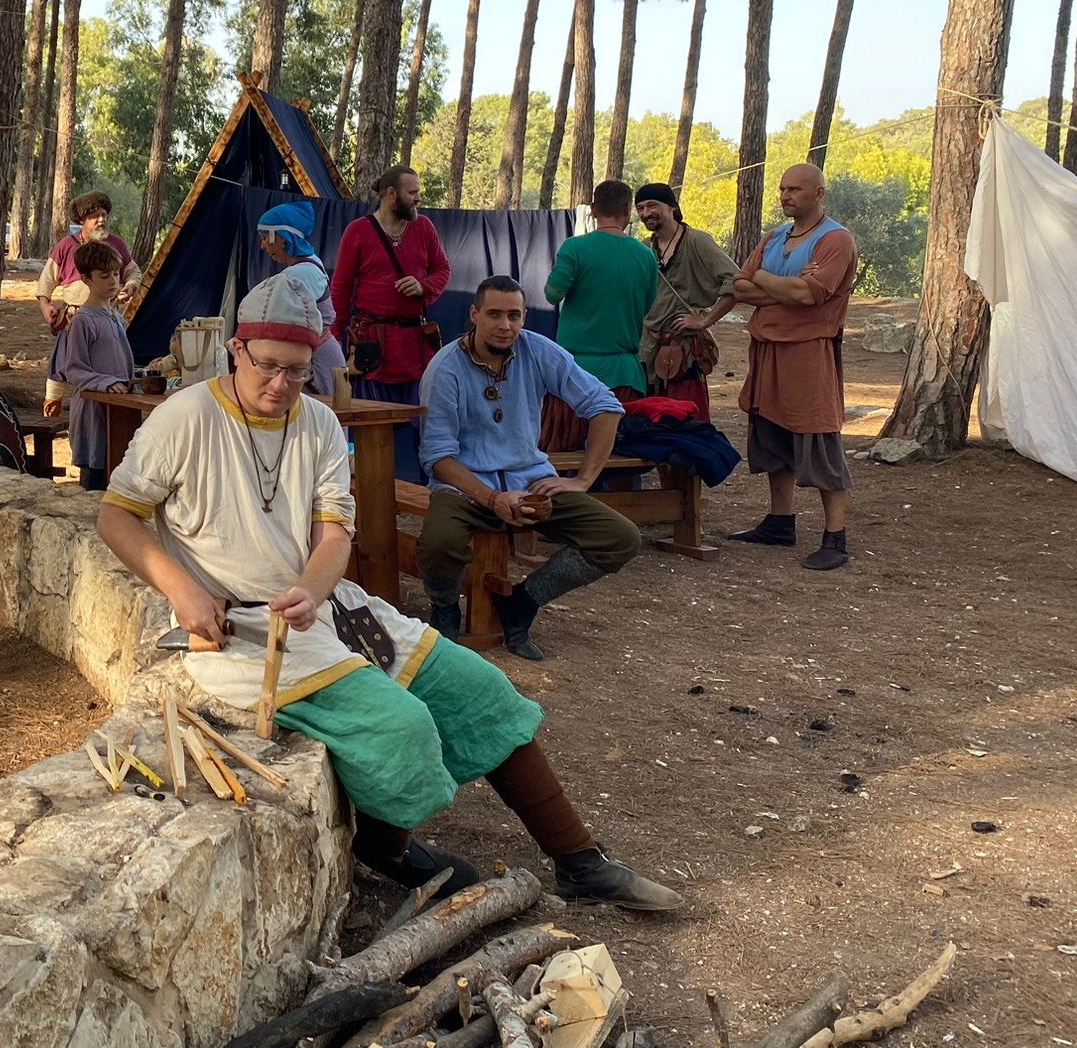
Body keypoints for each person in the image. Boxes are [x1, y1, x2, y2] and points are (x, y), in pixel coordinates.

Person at [95, 271, 681, 911]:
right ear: (237, 349)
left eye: (297, 372)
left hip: (330, 609)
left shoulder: (317, 421)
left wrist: (316, 591)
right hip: (241, 636)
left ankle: (580, 860)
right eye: (267, 367)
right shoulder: (184, 417)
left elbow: (333, 531)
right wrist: (181, 589)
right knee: (402, 727)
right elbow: (116, 515)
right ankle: (387, 846)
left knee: (483, 692)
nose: (281, 385)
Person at [417, 277, 643, 661]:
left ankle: (522, 603)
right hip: (466, 488)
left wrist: (582, 480)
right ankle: (444, 608)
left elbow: (604, 405)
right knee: (438, 544)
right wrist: (491, 498)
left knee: (620, 538)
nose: (505, 325)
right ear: (474, 315)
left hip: (532, 481)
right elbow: (439, 457)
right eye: (494, 314)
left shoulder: (538, 351)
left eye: (514, 315)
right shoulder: (445, 369)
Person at [728, 164, 860, 572]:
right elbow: (738, 285)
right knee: (772, 436)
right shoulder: (774, 237)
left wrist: (765, 281)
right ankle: (779, 521)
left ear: (818, 193)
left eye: (795, 189)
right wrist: (779, 287)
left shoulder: (835, 240)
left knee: (817, 440)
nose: (786, 196)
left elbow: (808, 294)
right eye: (783, 189)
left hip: (808, 353)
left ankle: (834, 537)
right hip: (767, 350)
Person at [330, 166, 449, 481]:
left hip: (414, 347)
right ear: (391, 194)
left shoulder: (423, 228)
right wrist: (332, 339)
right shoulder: (358, 231)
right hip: (374, 348)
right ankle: (374, 494)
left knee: (426, 424)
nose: (417, 199)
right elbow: (340, 288)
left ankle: (430, 491)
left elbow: (442, 269)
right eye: (412, 193)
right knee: (372, 425)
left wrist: (424, 286)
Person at [634, 183, 739, 419]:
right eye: (640, 208)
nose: (645, 213)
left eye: (652, 205)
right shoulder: (642, 249)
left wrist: (705, 320)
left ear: (672, 207)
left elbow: (736, 280)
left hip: (683, 348)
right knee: (647, 418)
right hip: (647, 347)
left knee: (688, 419)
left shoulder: (697, 241)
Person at [545, 181, 657, 395]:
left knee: (573, 430)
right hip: (625, 376)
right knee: (620, 430)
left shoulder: (574, 248)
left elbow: (552, 294)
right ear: (626, 210)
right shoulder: (645, 255)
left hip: (575, 373)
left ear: (594, 209)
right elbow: (646, 307)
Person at [38, 191, 141, 416]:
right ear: (82, 221)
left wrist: (130, 286)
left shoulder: (116, 244)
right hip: (72, 320)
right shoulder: (66, 246)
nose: (101, 219)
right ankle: (50, 423)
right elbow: (46, 280)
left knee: (109, 366)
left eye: (103, 214)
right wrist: (46, 306)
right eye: (95, 215)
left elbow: (133, 271)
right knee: (58, 375)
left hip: (108, 317)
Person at [54, 242, 136, 490]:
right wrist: (106, 383)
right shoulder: (83, 321)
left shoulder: (116, 316)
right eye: (104, 276)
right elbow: (74, 369)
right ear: (86, 279)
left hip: (117, 412)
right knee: (93, 479)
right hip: (93, 414)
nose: (113, 281)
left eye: (115, 274)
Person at [256, 200, 347, 396]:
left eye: (265, 238)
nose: (262, 246)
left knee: (324, 419)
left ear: (282, 238)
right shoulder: (307, 264)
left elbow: (277, 320)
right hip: (312, 356)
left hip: (317, 360)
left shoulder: (301, 274)